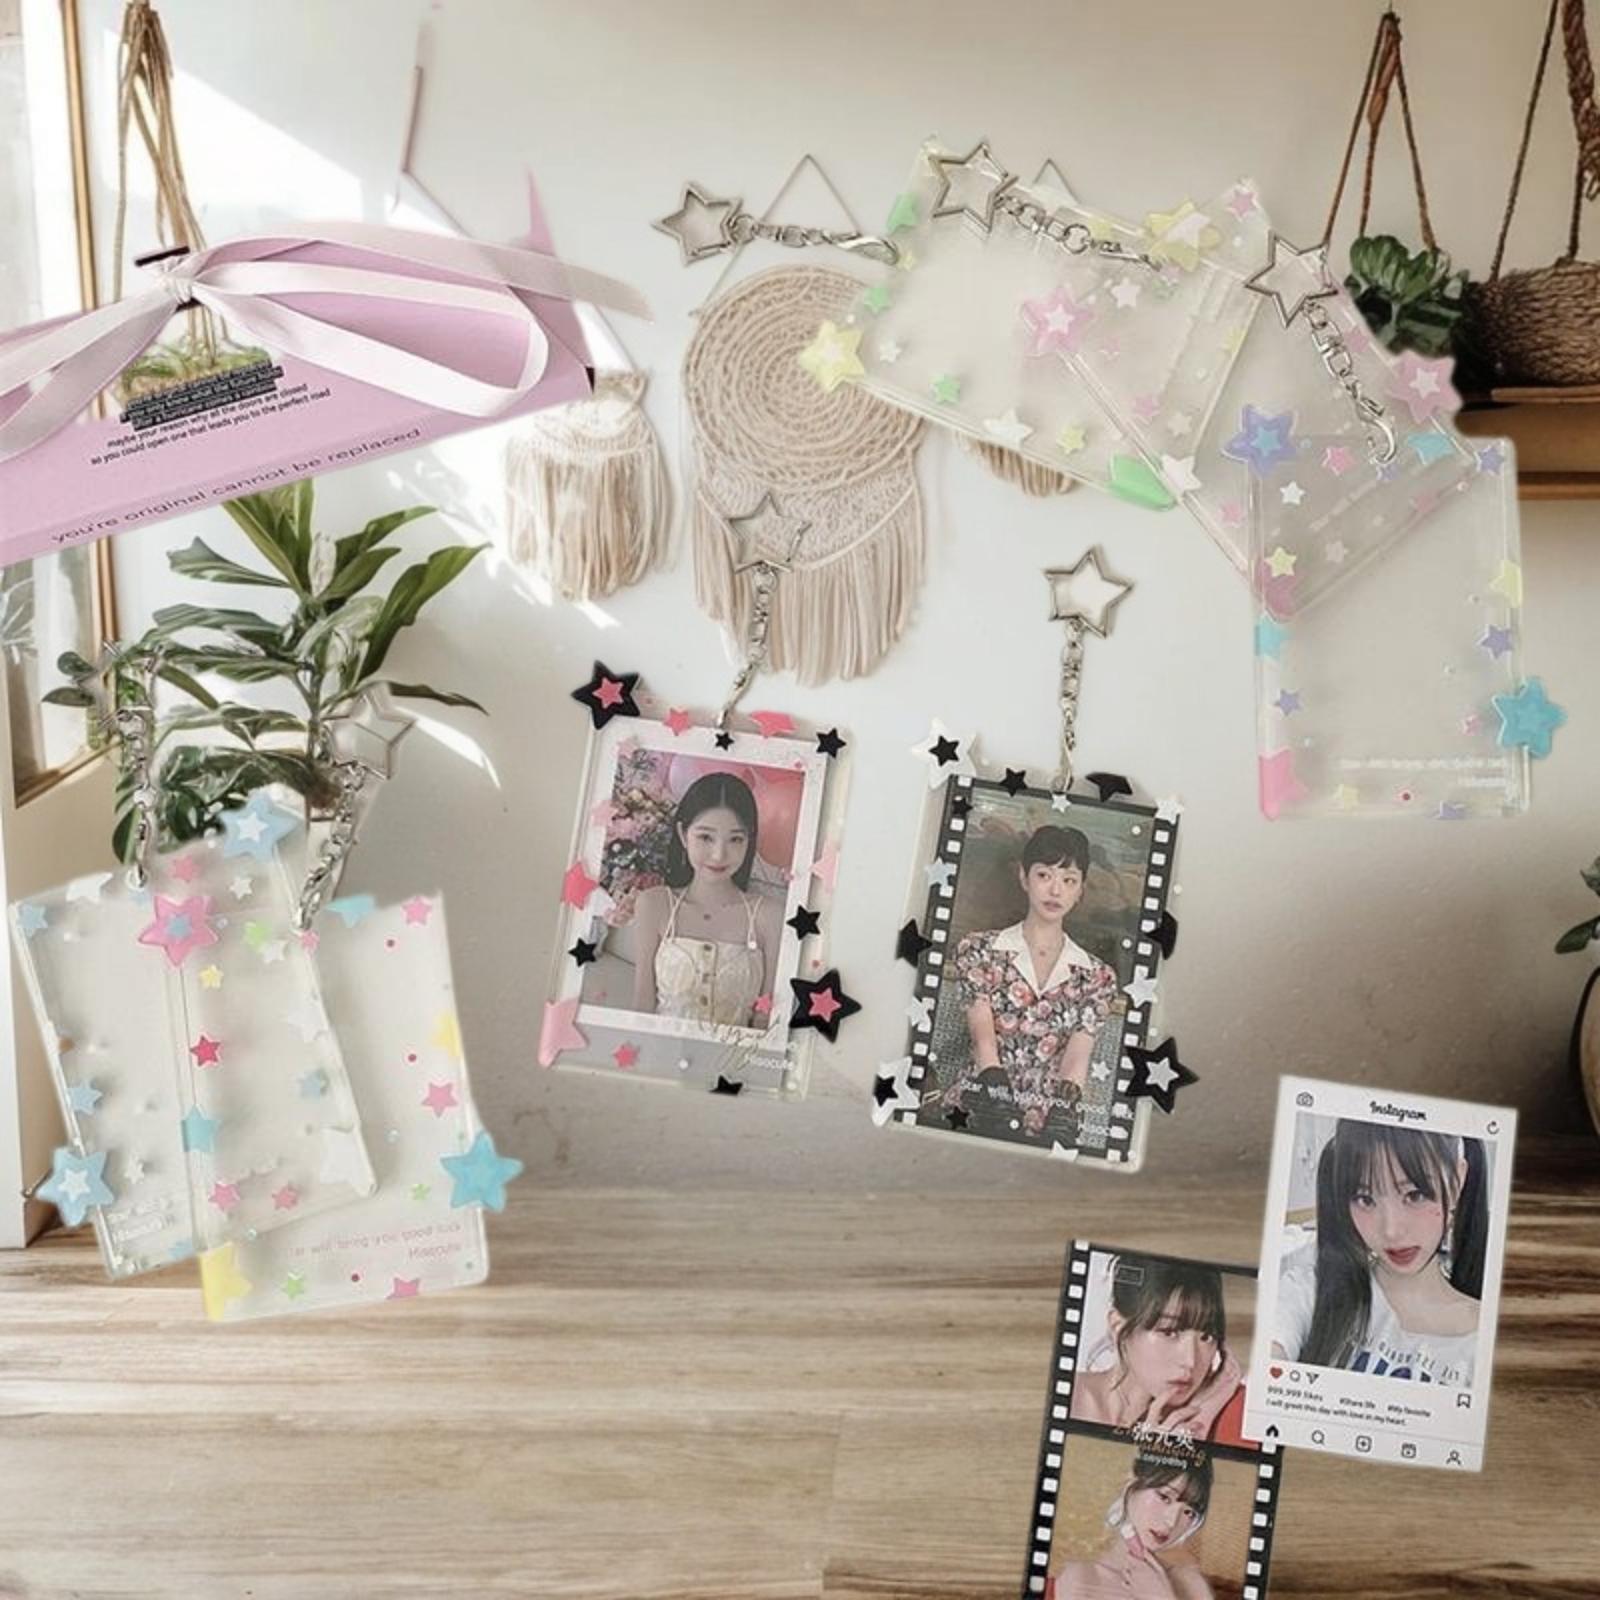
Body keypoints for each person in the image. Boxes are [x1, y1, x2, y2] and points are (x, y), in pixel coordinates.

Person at [1271, 1121, 1488, 1386]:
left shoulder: (1486, 1340)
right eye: (1365, 1199)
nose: (1391, 1231)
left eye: (1415, 1195)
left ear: (1456, 1183)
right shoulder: (1311, 1290)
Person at [943, 825, 1120, 1142]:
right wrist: (997, 1096)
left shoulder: (1097, 976)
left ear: (1081, 890)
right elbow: (983, 1041)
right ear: (1024, 878)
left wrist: (1064, 1113)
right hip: (980, 1105)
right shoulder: (980, 951)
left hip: (1048, 1120)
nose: (1056, 890)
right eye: (1044, 875)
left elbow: (1077, 1057)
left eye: (1069, 880)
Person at [632, 773, 783, 1028]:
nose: (718, 855)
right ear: (683, 835)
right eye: (705, 837)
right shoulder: (654, 905)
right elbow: (642, 1005)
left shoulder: (769, 916)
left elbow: (765, 1021)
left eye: (735, 839)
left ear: (749, 840)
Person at [1071, 1258, 1247, 1445]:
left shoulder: (1228, 1409)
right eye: (1169, 1332)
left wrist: (1200, 1418)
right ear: (1118, 1328)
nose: (1191, 1361)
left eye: (1206, 1336)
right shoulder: (1070, 1398)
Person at [1049, 1450, 1214, 1600]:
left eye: (1188, 1512)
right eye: (1164, 1497)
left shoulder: (1192, 1584)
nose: (1172, 1522)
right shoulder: (1081, 1577)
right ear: (1131, 1482)